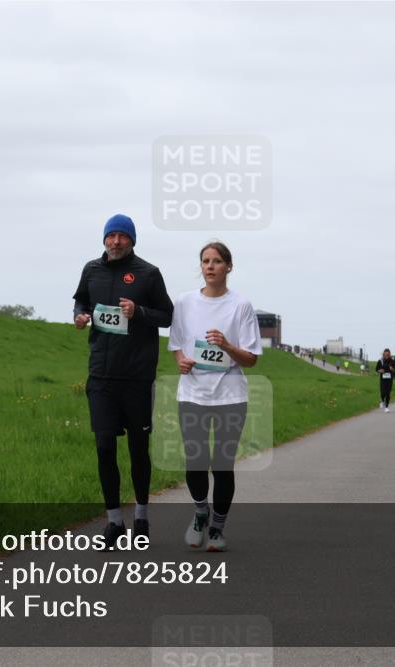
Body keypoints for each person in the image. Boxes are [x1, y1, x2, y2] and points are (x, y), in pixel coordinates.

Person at [73, 214, 173, 548]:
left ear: (132, 240)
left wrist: (139, 312)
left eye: (122, 236)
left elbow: (168, 315)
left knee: (137, 448)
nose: (116, 241)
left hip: (137, 377)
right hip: (101, 375)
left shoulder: (148, 273)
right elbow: (81, 299)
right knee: (104, 446)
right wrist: (80, 315)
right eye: (111, 236)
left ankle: (141, 516)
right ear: (104, 239)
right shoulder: (92, 270)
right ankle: (114, 522)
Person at [168, 241, 262, 552]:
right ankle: (199, 514)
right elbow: (177, 344)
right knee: (196, 461)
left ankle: (218, 529)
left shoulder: (241, 306)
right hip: (193, 393)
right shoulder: (184, 302)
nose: (210, 266)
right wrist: (181, 361)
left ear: (229, 267)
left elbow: (251, 358)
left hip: (230, 395)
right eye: (205, 261)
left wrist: (226, 345)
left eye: (217, 261)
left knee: (222, 465)